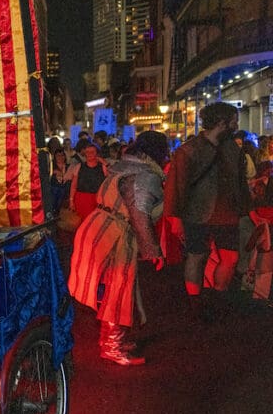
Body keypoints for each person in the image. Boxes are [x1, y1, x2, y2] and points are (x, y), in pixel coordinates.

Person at [68, 131, 169, 366]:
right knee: (117, 289)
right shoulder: (144, 175)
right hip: (114, 235)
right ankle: (111, 346)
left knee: (113, 289)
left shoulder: (122, 166)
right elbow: (140, 215)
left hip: (98, 226)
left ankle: (113, 339)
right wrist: (153, 251)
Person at [165, 102, 252, 320]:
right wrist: (175, 218)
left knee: (230, 258)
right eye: (234, 120)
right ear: (223, 122)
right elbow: (176, 185)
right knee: (197, 256)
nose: (236, 124)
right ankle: (195, 303)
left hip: (227, 213)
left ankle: (217, 297)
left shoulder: (233, 148)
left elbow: (240, 183)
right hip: (197, 212)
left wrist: (247, 210)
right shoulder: (189, 150)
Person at [66, 139, 108, 223]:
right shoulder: (79, 166)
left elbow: (109, 180)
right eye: (87, 152)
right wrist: (71, 201)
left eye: (92, 152)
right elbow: (73, 185)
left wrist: (104, 162)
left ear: (97, 153)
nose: (89, 154)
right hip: (81, 200)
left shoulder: (103, 167)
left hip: (97, 200)